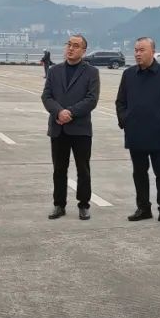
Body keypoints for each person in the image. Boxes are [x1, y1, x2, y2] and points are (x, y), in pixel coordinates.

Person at [115, 37, 160, 226]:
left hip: (158, 135)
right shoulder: (128, 74)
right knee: (139, 173)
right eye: (136, 50)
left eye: (142, 50)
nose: (137, 54)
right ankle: (143, 208)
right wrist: (125, 121)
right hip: (135, 134)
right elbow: (120, 102)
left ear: (153, 51)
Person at [41, 34, 100, 221]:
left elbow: (91, 99)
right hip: (58, 128)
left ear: (84, 51)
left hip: (80, 129)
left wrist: (70, 113)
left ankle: (84, 205)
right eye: (69, 45)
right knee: (59, 169)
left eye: (76, 46)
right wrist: (59, 112)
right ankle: (59, 204)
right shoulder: (54, 71)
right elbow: (46, 96)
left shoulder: (91, 72)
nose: (71, 48)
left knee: (83, 169)